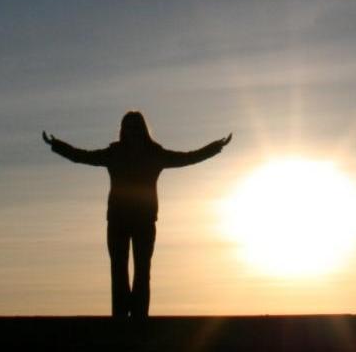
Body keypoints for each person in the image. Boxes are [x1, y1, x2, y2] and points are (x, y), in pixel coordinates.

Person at [42, 111, 232, 318]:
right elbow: (83, 156)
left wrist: (215, 147)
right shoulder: (114, 153)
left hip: (144, 221)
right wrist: (57, 145)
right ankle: (121, 318)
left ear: (142, 129)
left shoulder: (155, 154)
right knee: (118, 271)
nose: (132, 131)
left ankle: (140, 318)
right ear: (123, 130)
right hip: (117, 220)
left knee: (142, 272)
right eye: (128, 127)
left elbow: (187, 158)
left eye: (135, 126)